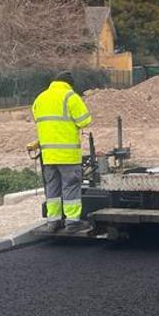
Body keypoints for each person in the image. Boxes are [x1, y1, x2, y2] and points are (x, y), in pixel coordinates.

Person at [30, 71, 92, 233]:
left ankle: (53, 221)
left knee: (52, 189)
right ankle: (72, 222)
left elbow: (42, 123)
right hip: (68, 155)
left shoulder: (40, 98)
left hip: (48, 155)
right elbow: (85, 121)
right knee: (70, 187)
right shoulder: (70, 96)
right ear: (70, 84)